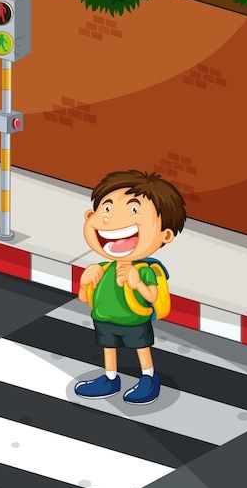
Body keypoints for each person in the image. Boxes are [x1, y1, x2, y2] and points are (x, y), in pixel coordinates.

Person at [75, 170, 186, 404]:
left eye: (134, 210)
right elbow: (85, 299)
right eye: (106, 208)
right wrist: (85, 283)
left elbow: (153, 296)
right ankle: (110, 378)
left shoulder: (144, 270)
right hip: (104, 318)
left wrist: (136, 282)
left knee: (141, 348)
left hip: (134, 320)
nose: (111, 219)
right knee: (108, 347)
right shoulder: (103, 268)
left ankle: (148, 378)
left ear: (165, 235)